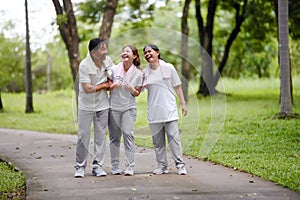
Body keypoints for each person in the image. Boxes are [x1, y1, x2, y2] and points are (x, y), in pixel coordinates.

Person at [142, 44, 188, 175]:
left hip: (169, 110)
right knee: (158, 142)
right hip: (153, 112)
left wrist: (183, 104)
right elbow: (139, 89)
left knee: (174, 139)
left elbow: (177, 86)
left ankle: (180, 165)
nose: (147, 54)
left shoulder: (168, 68)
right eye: (145, 53)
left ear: (157, 52)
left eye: (149, 51)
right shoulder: (145, 72)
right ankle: (162, 166)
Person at [74, 38, 113, 178]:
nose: (105, 51)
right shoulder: (84, 65)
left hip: (102, 105)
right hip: (86, 106)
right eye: (102, 49)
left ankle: (97, 166)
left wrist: (109, 82)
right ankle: (79, 167)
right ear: (93, 52)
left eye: (105, 48)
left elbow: (112, 79)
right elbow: (87, 88)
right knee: (83, 136)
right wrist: (105, 86)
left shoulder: (107, 61)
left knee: (101, 136)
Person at [108, 45, 143, 176]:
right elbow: (106, 85)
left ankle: (129, 167)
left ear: (134, 56)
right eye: (123, 51)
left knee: (128, 135)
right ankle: (115, 166)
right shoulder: (114, 69)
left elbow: (137, 93)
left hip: (128, 108)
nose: (124, 53)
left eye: (127, 51)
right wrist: (112, 86)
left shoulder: (139, 74)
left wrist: (132, 90)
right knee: (114, 138)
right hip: (113, 108)